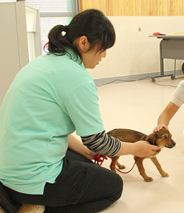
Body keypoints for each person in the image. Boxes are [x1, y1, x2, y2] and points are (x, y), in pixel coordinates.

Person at [0, 9, 159, 213]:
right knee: (113, 186)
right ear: (83, 43)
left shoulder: (43, 63)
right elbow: (98, 142)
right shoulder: (77, 77)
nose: (104, 55)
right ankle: (31, 204)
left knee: (86, 160)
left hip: (9, 164)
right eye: (103, 49)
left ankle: (12, 195)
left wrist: (84, 151)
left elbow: (48, 128)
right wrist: (136, 148)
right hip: (31, 176)